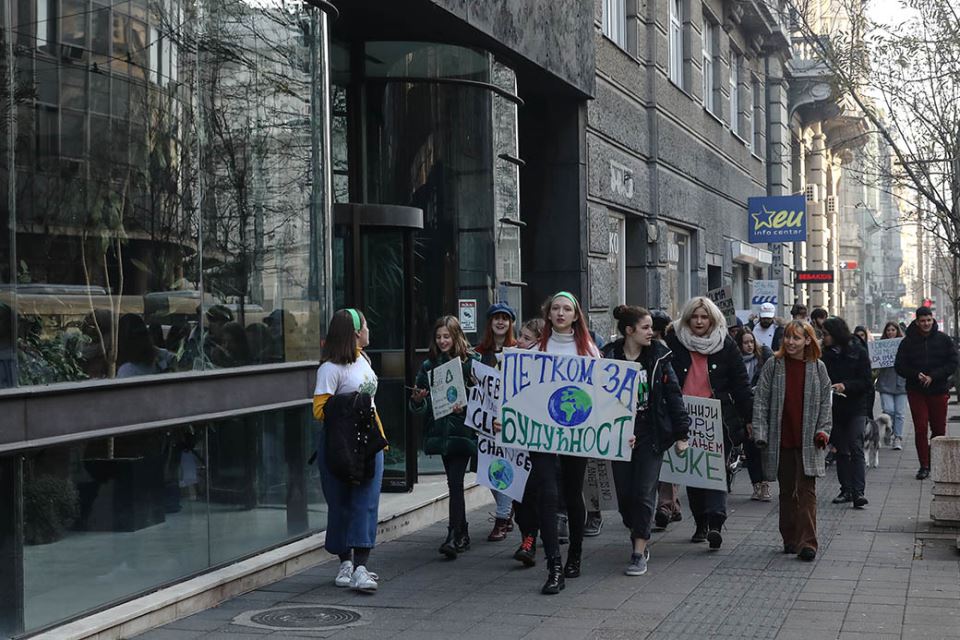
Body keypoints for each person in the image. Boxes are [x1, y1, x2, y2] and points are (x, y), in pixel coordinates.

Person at [510, 291, 599, 594]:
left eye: (567, 309)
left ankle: (575, 554)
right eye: (556, 308)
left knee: (573, 494)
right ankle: (554, 566)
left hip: (576, 434)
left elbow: (603, 398)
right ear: (548, 314)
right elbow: (517, 391)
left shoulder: (588, 351)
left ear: (576, 315)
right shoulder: (534, 350)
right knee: (547, 494)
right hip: (541, 434)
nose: (561, 313)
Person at [604, 305, 690, 576]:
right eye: (645, 327)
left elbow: (673, 395)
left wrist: (681, 433)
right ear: (629, 331)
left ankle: (639, 550)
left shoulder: (659, 356)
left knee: (644, 493)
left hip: (649, 434)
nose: (651, 332)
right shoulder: (608, 356)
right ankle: (636, 526)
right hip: (618, 435)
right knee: (625, 498)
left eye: (651, 327)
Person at [666, 297, 753, 549]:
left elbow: (740, 384)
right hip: (684, 417)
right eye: (695, 317)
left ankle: (716, 522)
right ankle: (701, 522)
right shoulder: (675, 343)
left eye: (704, 317)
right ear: (687, 319)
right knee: (693, 472)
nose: (700, 321)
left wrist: (748, 419)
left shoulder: (726, 345)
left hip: (718, 418)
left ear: (713, 319)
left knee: (716, 469)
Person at [313, 308, 385, 593]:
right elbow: (320, 410)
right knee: (341, 503)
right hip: (340, 445)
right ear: (356, 332)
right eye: (365, 325)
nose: (369, 330)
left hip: (368, 442)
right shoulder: (329, 369)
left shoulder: (364, 359)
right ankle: (346, 563)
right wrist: (353, 404)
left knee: (366, 502)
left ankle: (361, 566)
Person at [753, 321, 832, 561]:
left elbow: (825, 404)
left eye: (796, 338)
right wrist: (761, 432)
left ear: (808, 340)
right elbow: (761, 400)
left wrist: (823, 431)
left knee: (807, 491)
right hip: (781, 439)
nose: (790, 342)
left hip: (809, 440)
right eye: (787, 337)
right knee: (787, 491)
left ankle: (808, 542)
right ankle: (789, 538)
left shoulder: (817, 368)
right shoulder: (774, 365)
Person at [410, 316, 479, 559]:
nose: (442, 341)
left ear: (456, 336)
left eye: (446, 336)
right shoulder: (428, 366)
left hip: (462, 432)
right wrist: (418, 399)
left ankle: (453, 534)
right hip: (440, 433)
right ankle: (463, 532)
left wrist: (468, 404)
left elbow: (484, 399)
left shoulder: (471, 363)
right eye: (439, 337)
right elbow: (418, 404)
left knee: (455, 483)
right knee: (454, 482)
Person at [895, 307, 959, 479]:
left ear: (933, 319)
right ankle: (924, 465)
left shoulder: (944, 340)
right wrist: (916, 375)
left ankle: (935, 461)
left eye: (929, 320)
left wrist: (934, 376)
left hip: (938, 389)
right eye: (922, 321)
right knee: (921, 427)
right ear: (917, 322)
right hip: (916, 390)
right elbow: (899, 366)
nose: (926, 324)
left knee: (939, 429)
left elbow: (953, 362)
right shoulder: (907, 342)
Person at [475, 302, 518, 542]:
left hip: (510, 421)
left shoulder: (519, 351)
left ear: (511, 323)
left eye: (505, 318)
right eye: (496, 318)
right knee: (490, 470)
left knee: (509, 467)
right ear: (490, 323)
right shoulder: (479, 353)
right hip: (487, 423)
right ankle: (506, 511)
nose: (500, 322)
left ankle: (502, 519)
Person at [821, 317, 872, 508]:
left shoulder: (857, 351)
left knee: (855, 445)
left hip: (856, 406)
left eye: (825, 334)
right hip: (835, 408)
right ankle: (846, 489)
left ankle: (858, 491)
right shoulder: (825, 355)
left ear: (835, 334)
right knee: (841, 449)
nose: (823, 338)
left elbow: (866, 382)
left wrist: (846, 386)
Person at [651, 310, 683, 531]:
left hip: (667, 414)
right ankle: (673, 505)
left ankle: (665, 506)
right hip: (653, 415)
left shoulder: (669, 350)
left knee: (667, 464)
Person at [737, 328, 773, 501]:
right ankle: (756, 484)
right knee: (750, 450)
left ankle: (765, 484)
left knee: (763, 450)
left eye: (751, 342)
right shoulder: (736, 363)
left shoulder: (763, 360)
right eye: (745, 342)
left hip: (762, 412)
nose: (749, 346)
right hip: (744, 413)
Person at [876, 322, 907, 450]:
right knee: (889, 410)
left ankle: (898, 437)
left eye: (893, 330)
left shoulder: (904, 345)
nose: (890, 332)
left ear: (897, 331)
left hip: (901, 383)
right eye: (888, 330)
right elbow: (875, 364)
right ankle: (889, 428)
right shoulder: (880, 347)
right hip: (885, 383)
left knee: (900, 413)